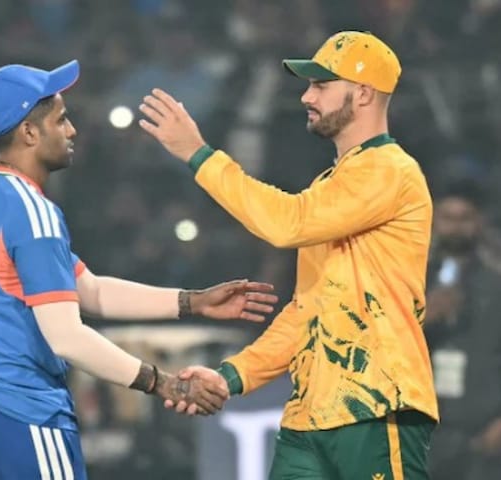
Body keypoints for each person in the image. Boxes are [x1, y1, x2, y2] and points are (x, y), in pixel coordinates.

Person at [0, 59, 279, 480]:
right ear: (29, 132)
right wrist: (162, 382)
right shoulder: (32, 212)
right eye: (60, 120)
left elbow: (88, 289)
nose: (72, 131)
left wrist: (192, 302)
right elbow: (67, 337)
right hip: (19, 410)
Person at [140, 30, 439, 479]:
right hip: (309, 417)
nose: (306, 96)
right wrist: (231, 376)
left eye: (321, 84)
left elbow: (287, 224)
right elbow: (309, 311)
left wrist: (199, 155)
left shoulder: (390, 170)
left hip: (377, 403)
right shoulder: (330, 186)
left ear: (362, 93)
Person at [424, 180, 501, 480]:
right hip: (419, 432)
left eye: (465, 218)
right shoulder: (408, 286)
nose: (456, 227)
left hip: (481, 434)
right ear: (434, 221)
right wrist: (421, 320)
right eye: (448, 218)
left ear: (479, 223)